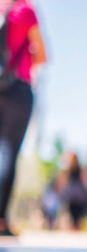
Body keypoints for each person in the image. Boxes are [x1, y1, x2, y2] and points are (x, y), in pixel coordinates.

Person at [0, 0, 46, 236]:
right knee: (7, 152)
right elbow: (43, 56)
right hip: (17, 89)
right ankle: (0, 219)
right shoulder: (24, 10)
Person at [61, 152, 87, 230]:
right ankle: (75, 230)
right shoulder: (76, 167)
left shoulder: (70, 168)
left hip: (74, 194)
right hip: (77, 194)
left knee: (75, 216)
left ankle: (74, 230)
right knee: (75, 217)